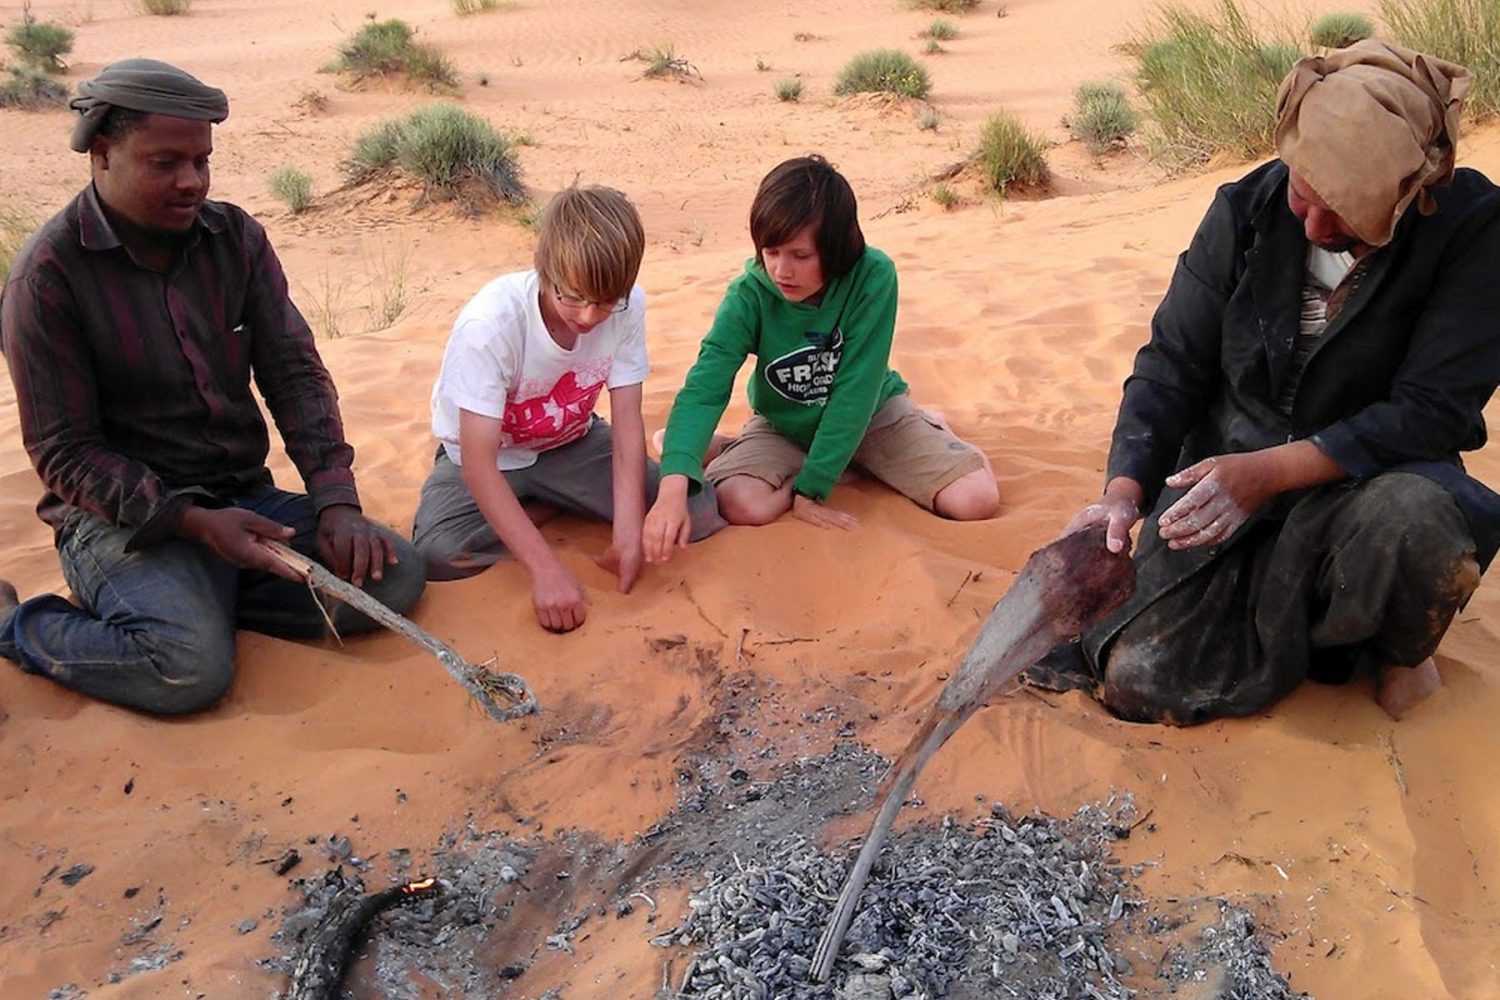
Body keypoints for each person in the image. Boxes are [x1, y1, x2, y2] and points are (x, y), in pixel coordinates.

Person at [1033, 41, 1500, 724]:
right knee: (1139, 678)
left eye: (1341, 217)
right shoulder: (1244, 210)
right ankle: (1316, 630)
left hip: (1366, 489)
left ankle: (1398, 649)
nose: (1310, 225)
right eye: (1301, 194)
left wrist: (1272, 471)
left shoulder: (1472, 232)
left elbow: (1430, 410)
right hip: (1226, 490)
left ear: (1403, 196)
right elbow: (1172, 364)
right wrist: (1122, 493)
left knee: (1420, 526)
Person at [0, 59, 426, 716]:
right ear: (103, 153)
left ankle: (201, 596)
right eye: (166, 163)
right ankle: (15, 623)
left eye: (202, 161)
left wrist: (336, 501)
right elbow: (64, 453)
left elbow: (296, 375)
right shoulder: (47, 280)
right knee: (188, 671)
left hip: (242, 501)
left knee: (394, 575)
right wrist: (192, 523)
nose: (192, 181)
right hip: (123, 524)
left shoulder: (237, 240)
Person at [643, 154, 998, 560]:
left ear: (834, 248)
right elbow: (705, 387)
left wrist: (811, 491)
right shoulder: (748, 295)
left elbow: (855, 390)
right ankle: (745, 449)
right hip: (784, 423)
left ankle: (934, 428)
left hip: (871, 414)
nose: (781, 271)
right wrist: (673, 486)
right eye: (771, 251)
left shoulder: (873, 277)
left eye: (800, 255)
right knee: (742, 505)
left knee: (976, 501)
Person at [412, 185, 723, 633]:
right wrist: (545, 568)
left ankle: (543, 504)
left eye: (606, 301)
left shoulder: (627, 305)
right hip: (486, 460)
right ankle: (546, 509)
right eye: (573, 297)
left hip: (572, 442)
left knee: (700, 510)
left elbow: (627, 425)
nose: (590, 316)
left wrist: (628, 531)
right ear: (544, 268)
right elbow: (478, 465)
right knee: (438, 554)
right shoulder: (492, 324)